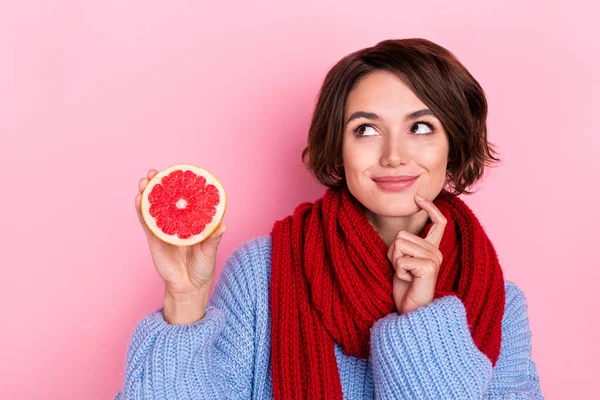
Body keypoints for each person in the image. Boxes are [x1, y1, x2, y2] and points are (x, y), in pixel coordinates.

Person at [114, 38, 543, 399]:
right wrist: (185, 300)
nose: (393, 155)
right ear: (338, 147)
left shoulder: (497, 303)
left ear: (455, 145)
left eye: (421, 127)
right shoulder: (262, 273)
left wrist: (421, 320)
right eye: (366, 130)